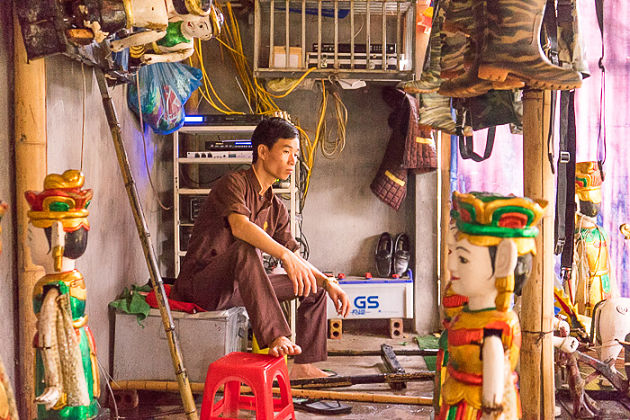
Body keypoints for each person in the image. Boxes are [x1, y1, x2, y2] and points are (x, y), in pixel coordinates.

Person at [171, 117, 350, 379]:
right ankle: (276, 335)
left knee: (314, 285)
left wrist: (327, 282)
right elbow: (240, 227)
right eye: (286, 151)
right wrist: (283, 255)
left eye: (296, 154)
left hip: (240, 288)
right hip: (202, 287)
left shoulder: (276, 207)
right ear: (263, 152)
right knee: (246, 248)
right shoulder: (233, 183)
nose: (292, 161)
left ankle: (303, 366)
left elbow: (296, 257)